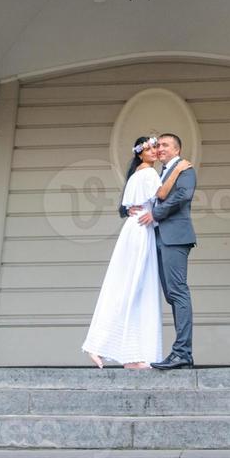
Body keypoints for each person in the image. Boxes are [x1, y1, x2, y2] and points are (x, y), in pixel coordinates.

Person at [81, 135, 165, 369]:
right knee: (134, 286)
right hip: (141, 230)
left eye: (155, 148)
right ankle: (101, 344)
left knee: (134, 287)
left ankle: (131, 354)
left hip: (137, 228)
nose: (154, 152)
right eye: (149, 149)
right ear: (140, 153)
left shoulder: (138, 174)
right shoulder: (148, 174)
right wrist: (178, 172)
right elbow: (162, 197)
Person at [136, 133, 197, 370]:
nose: (160, 148)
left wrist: (156, 214)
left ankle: (182, 353)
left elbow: (183, 196)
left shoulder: (185, 169)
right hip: (160, 238)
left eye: (165, 145)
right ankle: (180, 353)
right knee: (171, 294)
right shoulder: (159, 174)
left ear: (177, 149)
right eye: (158, 145)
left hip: (176, 238)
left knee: (178, 292)